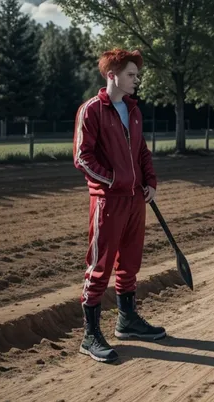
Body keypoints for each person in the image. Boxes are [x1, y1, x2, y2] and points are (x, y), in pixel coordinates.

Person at [73, 48, 165, 364]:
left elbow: (142, 153)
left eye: (137, 75)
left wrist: (149, 182)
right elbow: (82, 157)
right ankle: (90, 335)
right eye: (131, 75)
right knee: (100, 266)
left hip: (136, 201)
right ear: (112, 75)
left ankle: (127, 322)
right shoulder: (92, 111)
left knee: (130, 262)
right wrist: (113, 181)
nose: (136, 80)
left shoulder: (134, 111)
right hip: (108, 202)